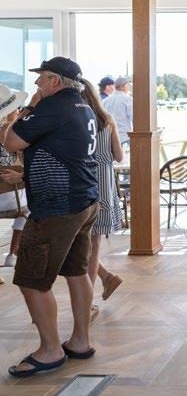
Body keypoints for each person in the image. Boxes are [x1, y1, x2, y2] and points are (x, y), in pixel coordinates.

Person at [1, 56, 99, 377]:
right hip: (84, 199)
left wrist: (29, 108)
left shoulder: (52, 107)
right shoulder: (82, 106)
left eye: (41, 77)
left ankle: (50, 350)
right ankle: (80, 341)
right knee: (77, 272)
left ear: (55, 81)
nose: (36, 83)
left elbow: (10, 141)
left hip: (56, 207)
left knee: (31, 280)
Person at [79, 79, 124, 305]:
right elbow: (119, 156)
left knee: (81, 243)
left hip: (83, 182)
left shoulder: (77, 121)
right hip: (104, 185)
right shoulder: (108, 119)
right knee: (92, 243)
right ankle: (105, 278)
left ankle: (87, 302)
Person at [0, 86, 29, 269]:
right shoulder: (14, 133)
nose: (18, 110)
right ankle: (13, 253)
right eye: (16, 108)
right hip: (13, 200)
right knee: (31, 205)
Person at [102, 77, 133, 145]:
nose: (129, 87)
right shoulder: (128, 100)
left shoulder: (105, 101)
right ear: (124, 86)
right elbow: (133, 118)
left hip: (109, 137)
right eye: (128, 85)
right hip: (124, 137)